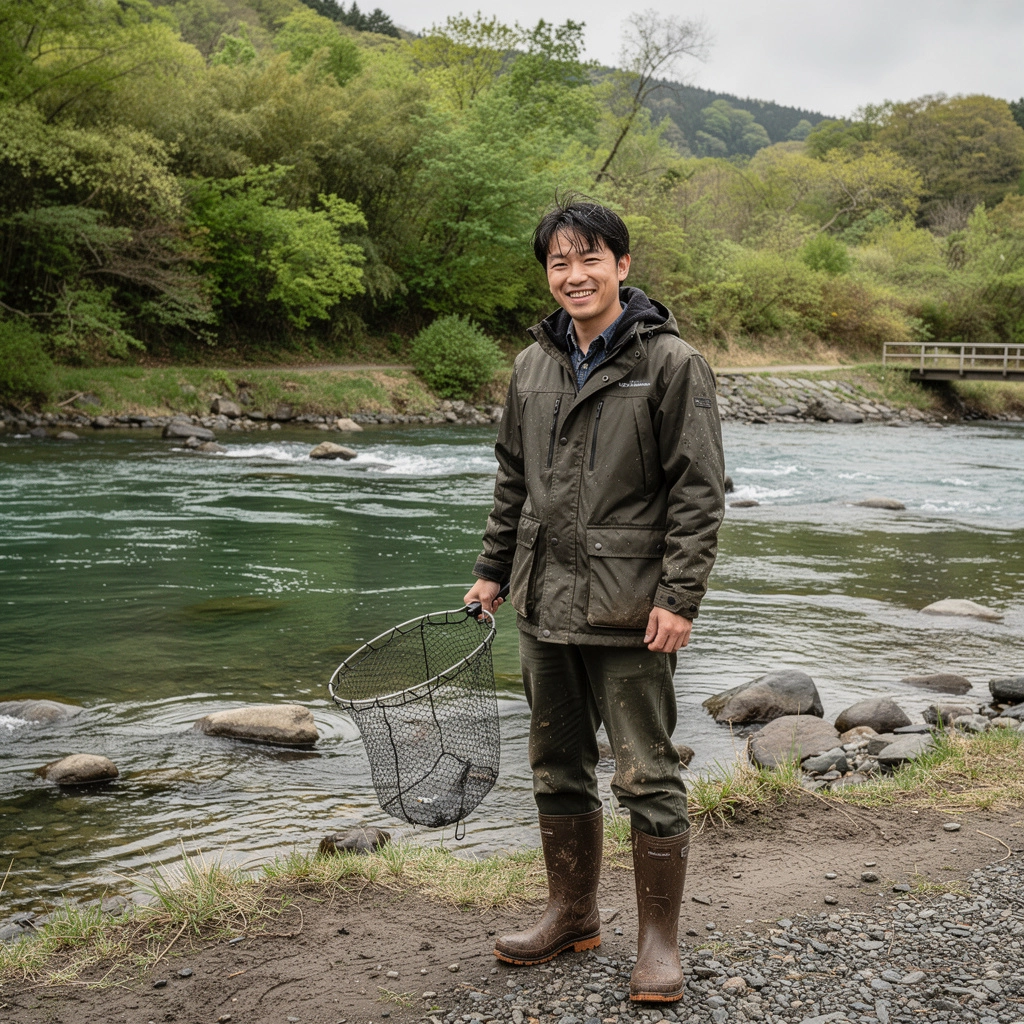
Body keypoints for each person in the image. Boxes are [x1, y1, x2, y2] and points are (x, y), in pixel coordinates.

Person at [463, 197, 725, 1003]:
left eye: (590, 259)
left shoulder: (672, 363)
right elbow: (513, 478)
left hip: (632, 608)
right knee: (555, 767)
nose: (574, 275)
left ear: (622, 265)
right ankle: (572, 915)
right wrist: (493, 569)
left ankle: (658, 946)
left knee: (647, 773)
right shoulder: (531, 365)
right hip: (543, 601)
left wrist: (680, 597)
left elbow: (699, 491)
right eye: (559, 262)